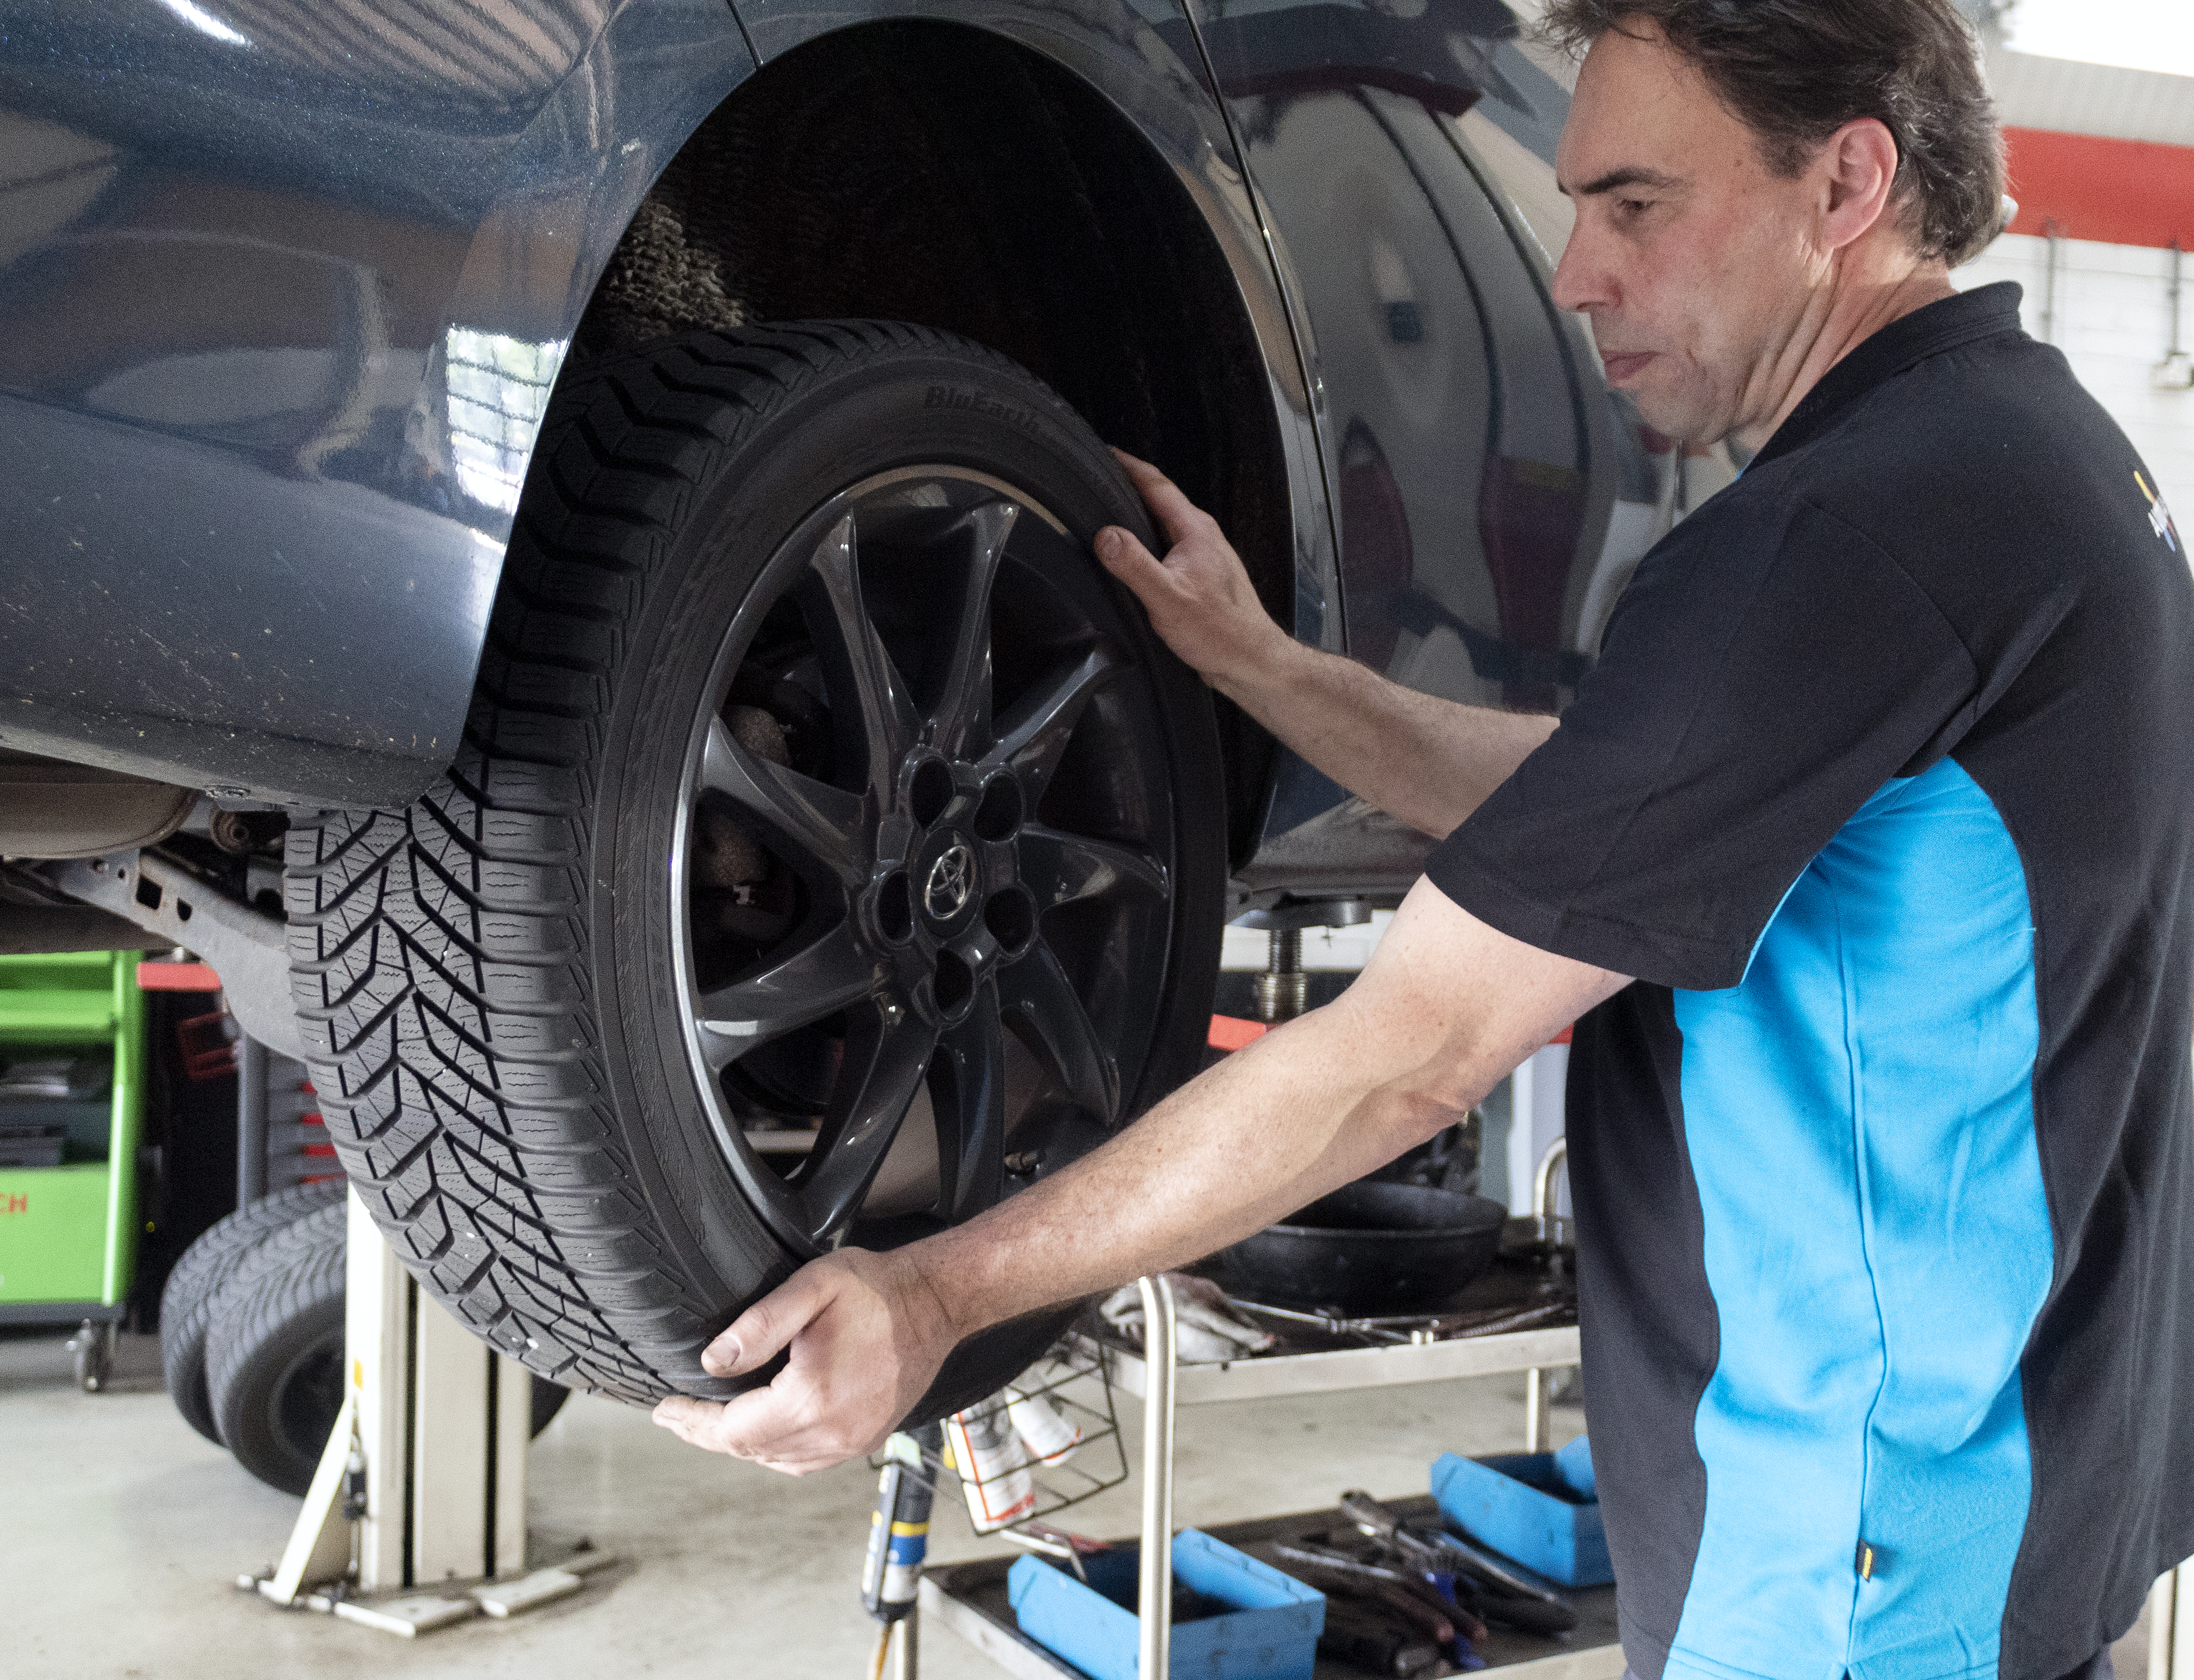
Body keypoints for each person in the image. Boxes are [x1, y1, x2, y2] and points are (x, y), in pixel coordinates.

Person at [655, 3, 2194, 1674]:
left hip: (1855, 1559)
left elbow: (1404, 1062)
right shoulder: (2030, 465)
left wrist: (937, 1297)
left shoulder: (1834, 545)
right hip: (2024, 1493)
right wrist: (1266, 671)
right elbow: (1606, 806)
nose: (1574, 276)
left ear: (1845, 182)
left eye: (1632, 207)